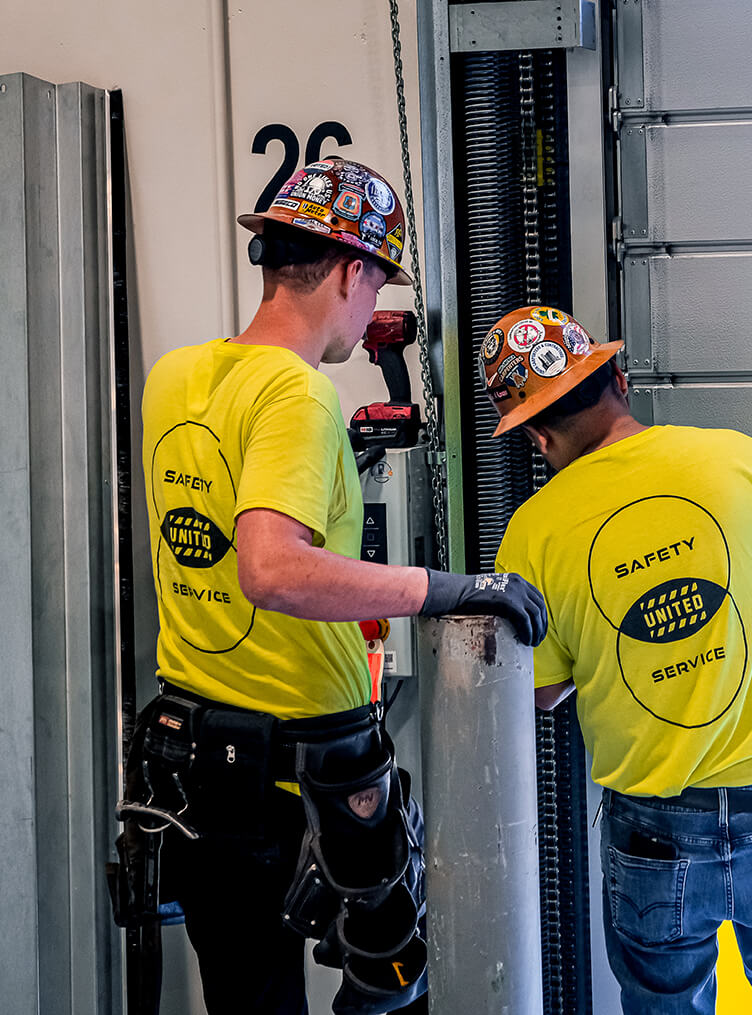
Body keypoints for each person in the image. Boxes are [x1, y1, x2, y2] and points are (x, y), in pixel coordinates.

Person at [137, 157, 546, 1014]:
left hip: (196, 768)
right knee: (392, 983)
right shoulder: (298, 393)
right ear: (353, 270)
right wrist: (445, 589)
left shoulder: (174, 375)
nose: (370, 315)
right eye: (376, 285)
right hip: (300, 774)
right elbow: (272, 568)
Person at [487, 306, 752, 1014]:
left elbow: (543, 690)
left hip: (655, 827)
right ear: (618, 377)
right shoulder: (736, 457)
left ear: (535, 434)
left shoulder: (532, 531)